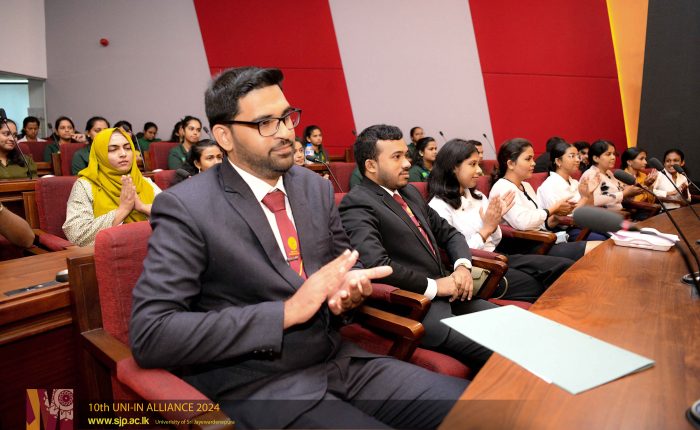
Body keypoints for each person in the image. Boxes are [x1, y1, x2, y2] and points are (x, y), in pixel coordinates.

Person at [130, 66, 466, 430]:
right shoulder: (187, 206)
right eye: (265, 123)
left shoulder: (313, 187)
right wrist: (285, 313)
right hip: (259, 385)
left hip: (340, 362)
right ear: (224, 136)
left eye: (287, 117)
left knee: (481, 409)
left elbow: (342, 267)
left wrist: (348, 291)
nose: (286, 132)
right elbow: (152, 334)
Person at [339, 124, 496, 371]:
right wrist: (434, 286)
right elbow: (377, 265)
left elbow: (450, 234)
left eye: (406, 155)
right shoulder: (357, 203)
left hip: (452, 292)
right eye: (396, 157)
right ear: (371, 165)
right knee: (498, 348)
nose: (407, 163)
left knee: (511, 326)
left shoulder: (409, 192)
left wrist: (462, 267)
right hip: (415, 307)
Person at [428, 139, 573, 303]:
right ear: (453, 167)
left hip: (497, 256)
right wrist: (486, 230)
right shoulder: (438, 207)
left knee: (561, 267)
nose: (479, 171)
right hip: (479, 268)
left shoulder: (478, 197)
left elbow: (495, 240)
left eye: (478, 164)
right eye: (472, 164)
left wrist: (494, 223)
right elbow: (456, 254)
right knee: (538, 287)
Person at [490, 138, 592, 260]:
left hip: (542, 239)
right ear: (511, 164)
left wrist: (555, 217)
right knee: (593, 249)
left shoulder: (526, 185)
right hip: (524, 247)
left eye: (533, 158)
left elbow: (539, 221)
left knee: (598, 246)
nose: (533, 163)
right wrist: (552, 209)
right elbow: (523, 223)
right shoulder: (503, 187)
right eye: (528, 159)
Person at [63, 128, 160, 246]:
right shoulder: (85, 185)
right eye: (113, 149)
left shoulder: (144, 182)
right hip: (111, 252)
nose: (123, 154)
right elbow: (76, 234)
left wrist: (143, 207)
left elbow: (176, 217)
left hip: (153, 249)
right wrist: (123, 210)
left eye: (128, 148)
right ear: (100, 154)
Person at [536, 141, 607, 240]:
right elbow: (566, 218)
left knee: (615, 232)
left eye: (578, 156)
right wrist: (584, 198)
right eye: (572, 156)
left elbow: (589, 208)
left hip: (583, 225)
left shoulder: (574, 182)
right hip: (565, 231)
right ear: (558, 161)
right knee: (602, 239)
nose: (578, 160)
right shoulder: (549, 186)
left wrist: (590, 193)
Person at [579, 140, 642, 211]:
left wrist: (632, 192)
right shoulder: (591, 174)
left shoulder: (609, 173)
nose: (613, 157)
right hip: (603, 216)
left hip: (620, 212)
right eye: (608, 154)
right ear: (596, 158)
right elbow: (595, 200)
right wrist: (624, 193)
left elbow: (620, 197)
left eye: (613, 154)